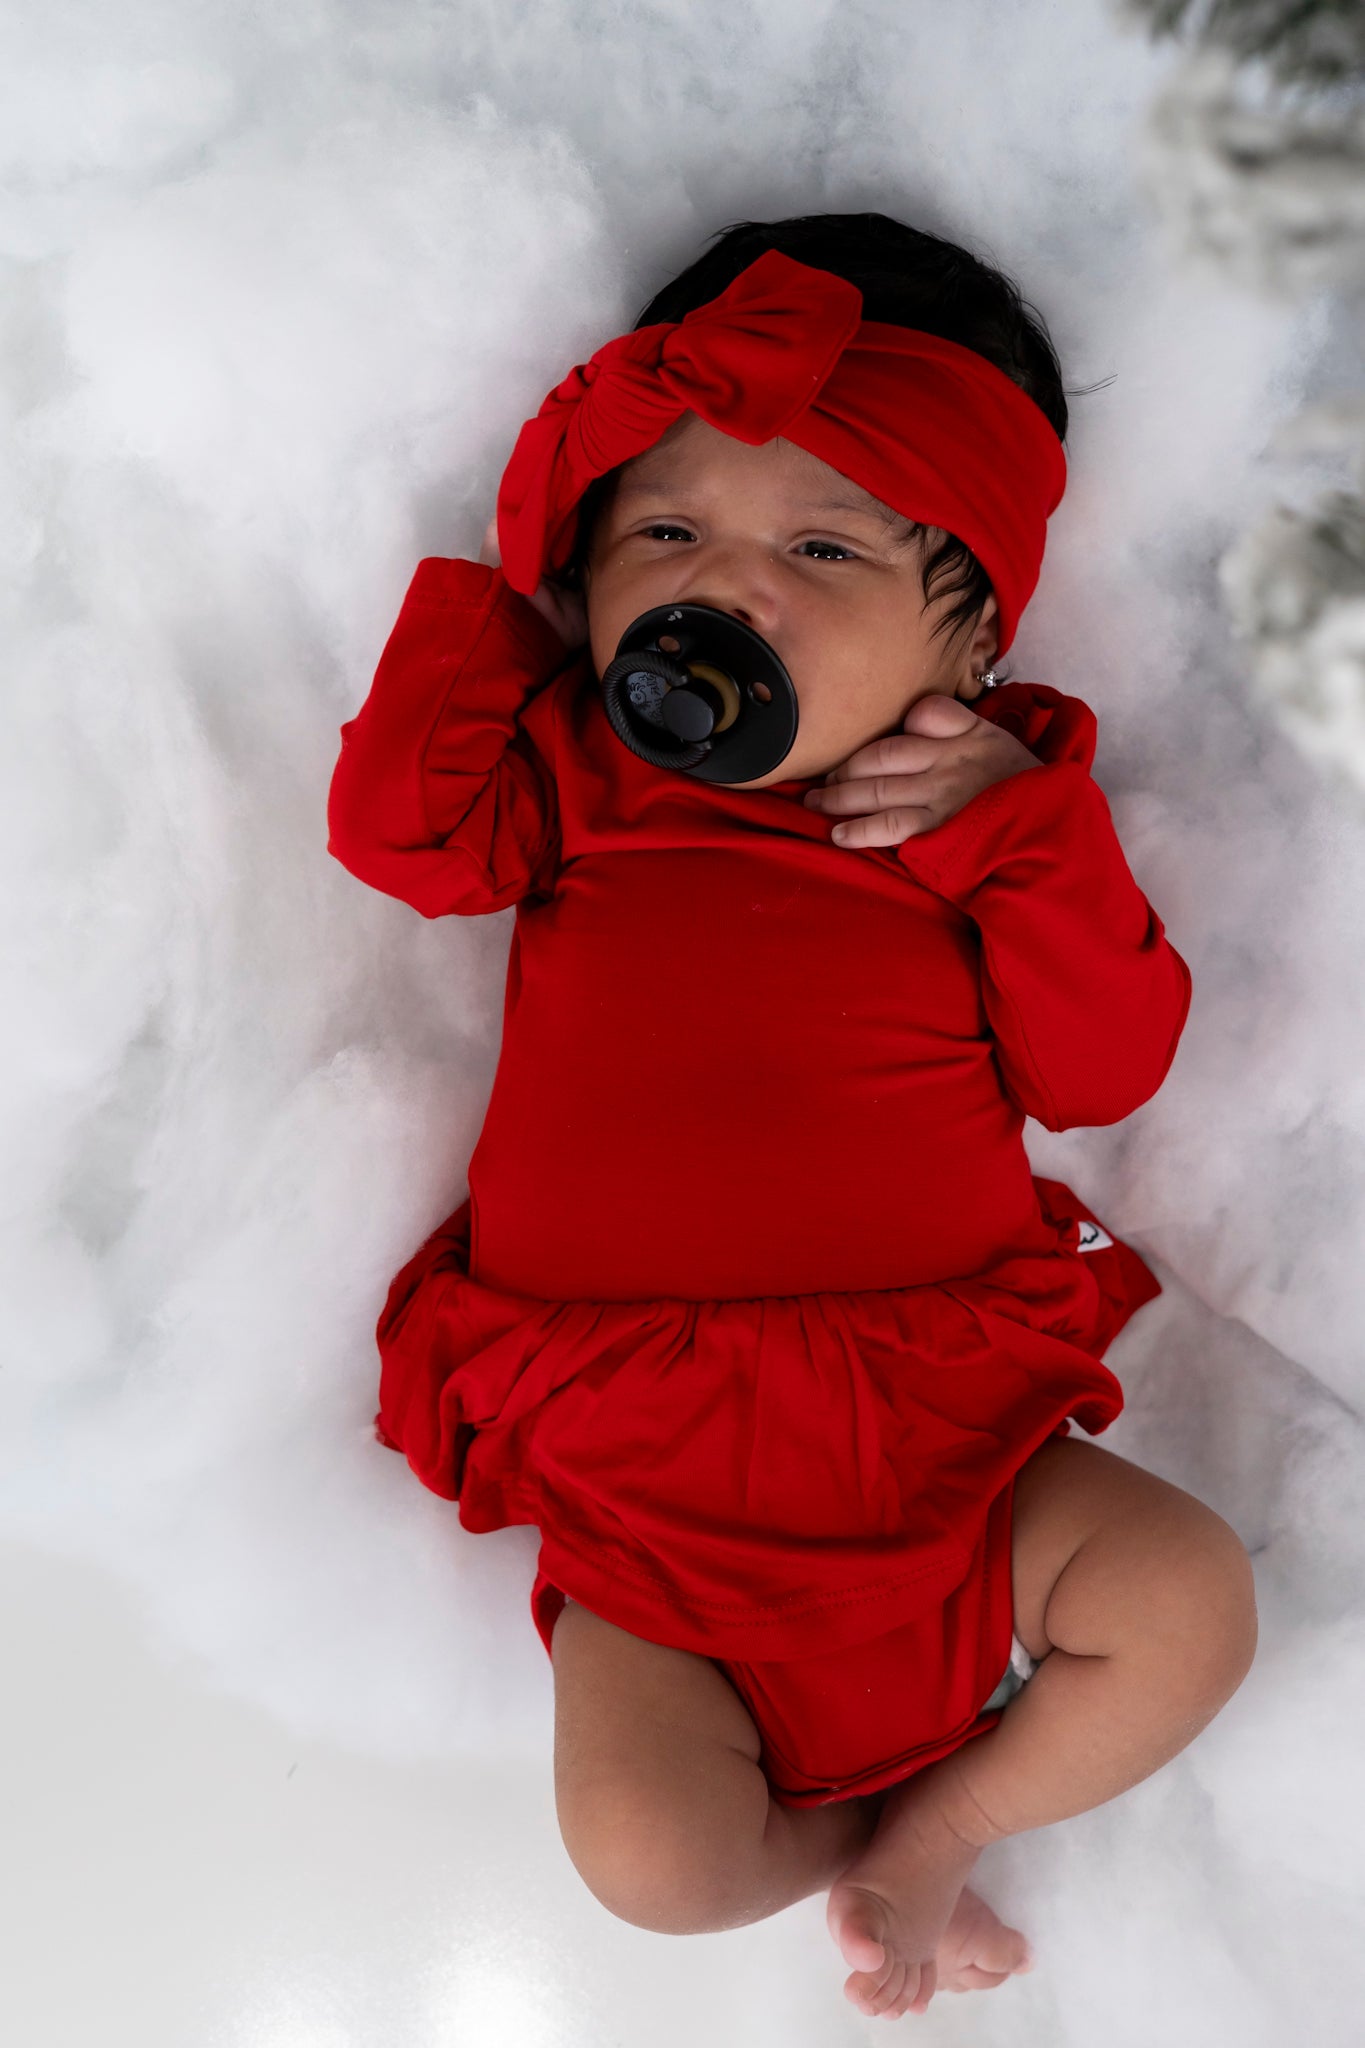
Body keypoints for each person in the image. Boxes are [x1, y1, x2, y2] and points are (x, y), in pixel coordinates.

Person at [326, 212, 1258, 2022]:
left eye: (822, 546)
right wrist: (513, 608)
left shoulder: (983, 803)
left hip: (945, 1443)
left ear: (969, 638)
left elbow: (1102, 1069)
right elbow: (399, 839)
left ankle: (938, 1833)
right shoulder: (578, 773)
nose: (726, 591)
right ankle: (854, 1838)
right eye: (662, 534)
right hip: (639, 1471)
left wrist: (1019, 832)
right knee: (650, 1862)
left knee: (1186, 1600)